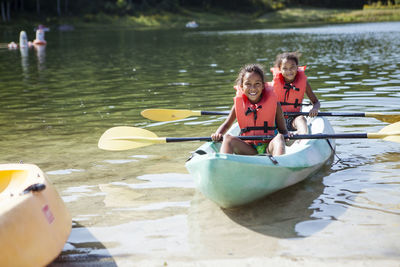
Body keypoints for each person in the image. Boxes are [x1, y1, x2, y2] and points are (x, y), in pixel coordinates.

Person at [211, 64, 289, 156]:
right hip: (248, 149)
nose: (253, 88)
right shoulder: (238, 105)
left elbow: (283, 130)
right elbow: (226, 125)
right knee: (228, 138)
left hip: (269, 147)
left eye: (257, 84)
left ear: (263, 86)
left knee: (279, 137)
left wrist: (287, 136)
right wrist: (218, 134)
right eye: (248, 84)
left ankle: (278, 165)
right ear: (241, 86)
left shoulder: (275, 104)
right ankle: (223, 163)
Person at [271, 52, 320, 134]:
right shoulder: (274, 84)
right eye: (285, 68)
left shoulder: (304, 83)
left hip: (293, 119)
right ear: (279, 69)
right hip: (277, 120)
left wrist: (315, 108)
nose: (289, 71)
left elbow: (316, 102)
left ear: (297, 67)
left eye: (292, 67)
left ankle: (303, 137)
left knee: (301, 118)